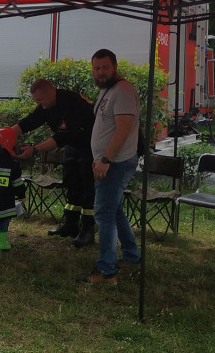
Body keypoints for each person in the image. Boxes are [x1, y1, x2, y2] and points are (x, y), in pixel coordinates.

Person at [78, 48, 142, 284]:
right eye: (96, 68)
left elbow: (124, 129)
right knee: (114, 210)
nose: (101, 72)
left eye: (105, 67)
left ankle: (107, 272)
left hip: (115, 162)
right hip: (108, 161)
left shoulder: (123, 91)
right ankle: (131, 255)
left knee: (103, 214)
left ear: (114, 66)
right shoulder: (108, 90)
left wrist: (105, 159)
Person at [13, 78, 96, 247]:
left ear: (51, 92)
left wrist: (34, 149)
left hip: (92, 146)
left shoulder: (71, 102)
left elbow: (61, 138)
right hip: (73, 146)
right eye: (36, 101)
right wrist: (4, 134)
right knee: (71, 183)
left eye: (40, 100)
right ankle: (70, 224)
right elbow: (30, 122)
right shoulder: (47, 104)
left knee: (87, 186)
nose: (39, 104)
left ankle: (88, 229)